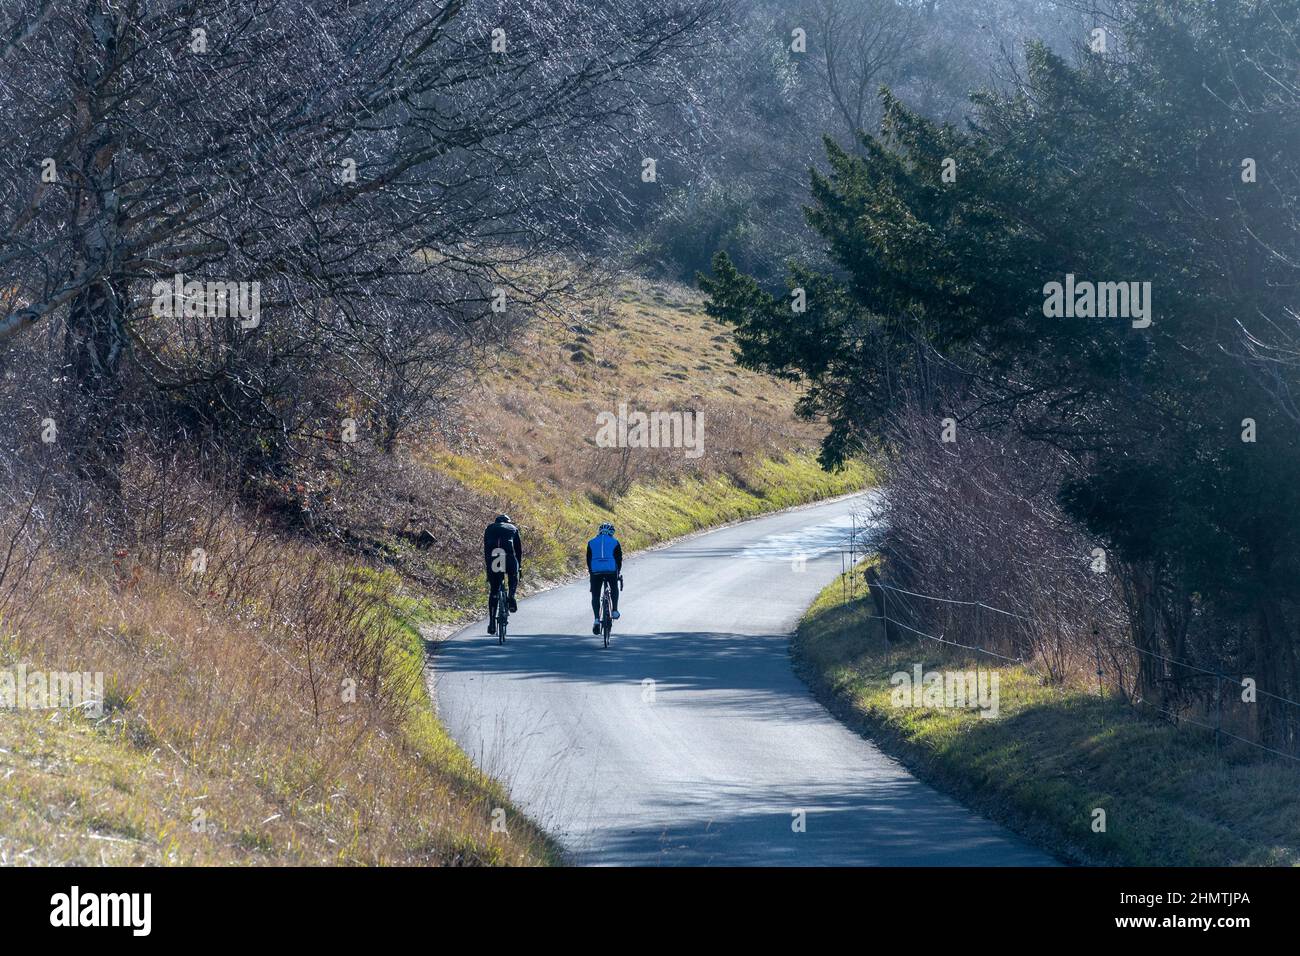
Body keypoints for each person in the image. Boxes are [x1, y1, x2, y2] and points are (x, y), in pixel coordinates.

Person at [483, 514, 522, 635]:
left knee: (494, 590)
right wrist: (519, 567)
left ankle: (492, 623)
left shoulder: (489, 528)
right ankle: (511, 595)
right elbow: (519, 550)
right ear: (508, 522)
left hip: (495, 557)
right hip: (509, 557)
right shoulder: (513, 528)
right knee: (513, 575)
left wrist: (489, 570)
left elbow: (486, 550)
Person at [586, 522, 622, 635]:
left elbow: (588, 560)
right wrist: (618, 573)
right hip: (611, 570)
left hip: (595, 571)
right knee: (614, 588)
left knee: (595, 595)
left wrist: (591, 573)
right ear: (611, 532)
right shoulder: (615, 542)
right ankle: (615, 610)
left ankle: (596, 619)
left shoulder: (591, 542)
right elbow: (618, 559)